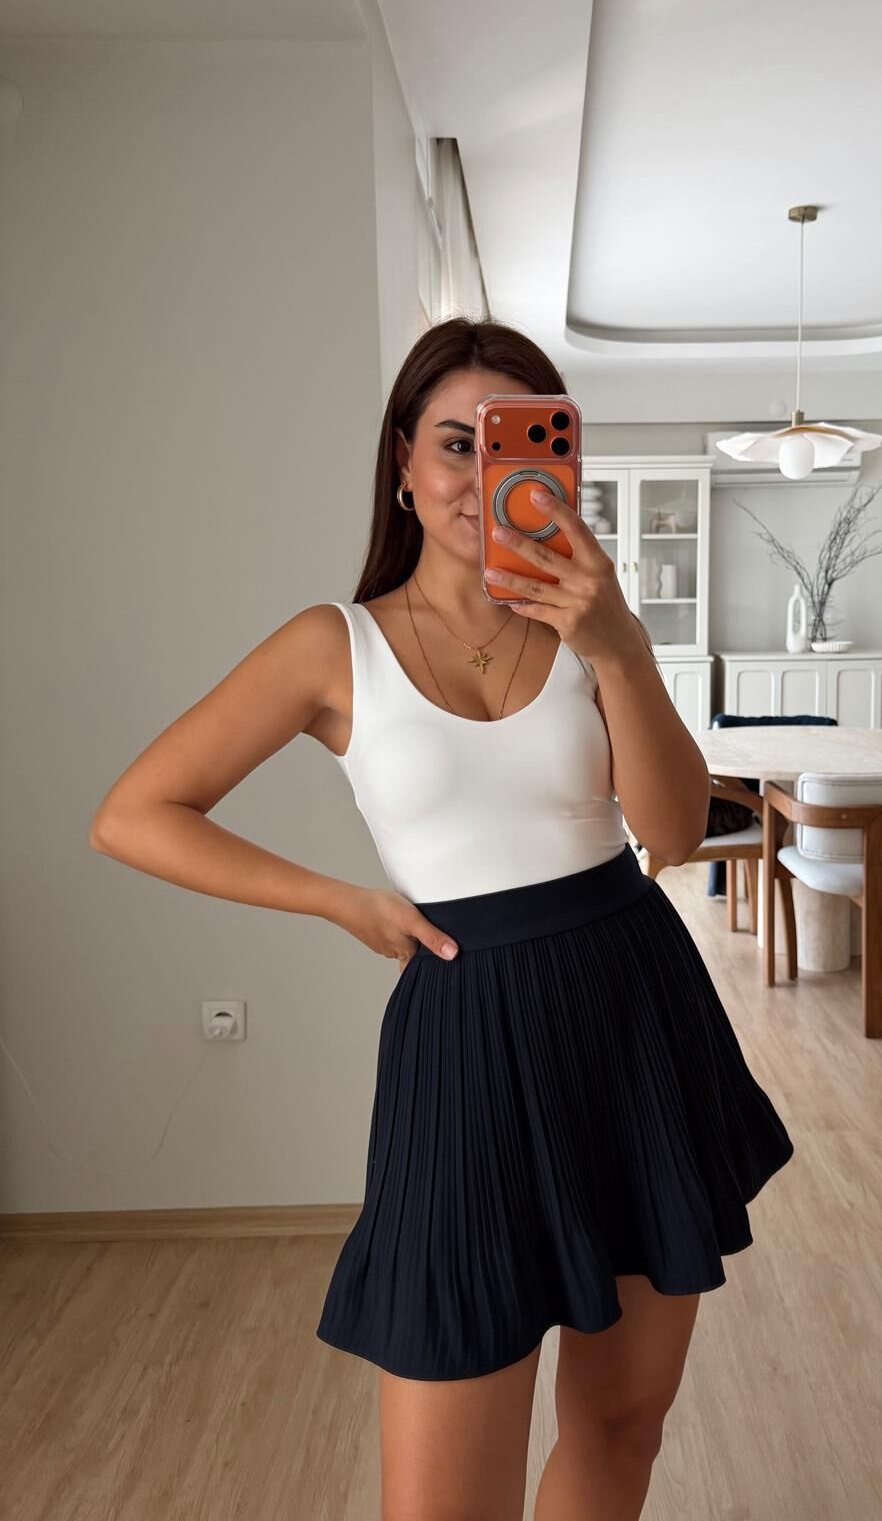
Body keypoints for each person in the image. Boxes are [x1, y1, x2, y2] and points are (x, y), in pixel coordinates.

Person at [90, 315, 795, 1521]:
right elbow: (135, 813)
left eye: (521, 441)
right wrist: (340, 900)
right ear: (405, 465)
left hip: (633, 1011)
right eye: (457, 442)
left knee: (621, 1426)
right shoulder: (335, 644)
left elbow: (674, 833)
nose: (484, 472)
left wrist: (619, 646)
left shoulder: (589, 630)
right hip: (466, 1037)